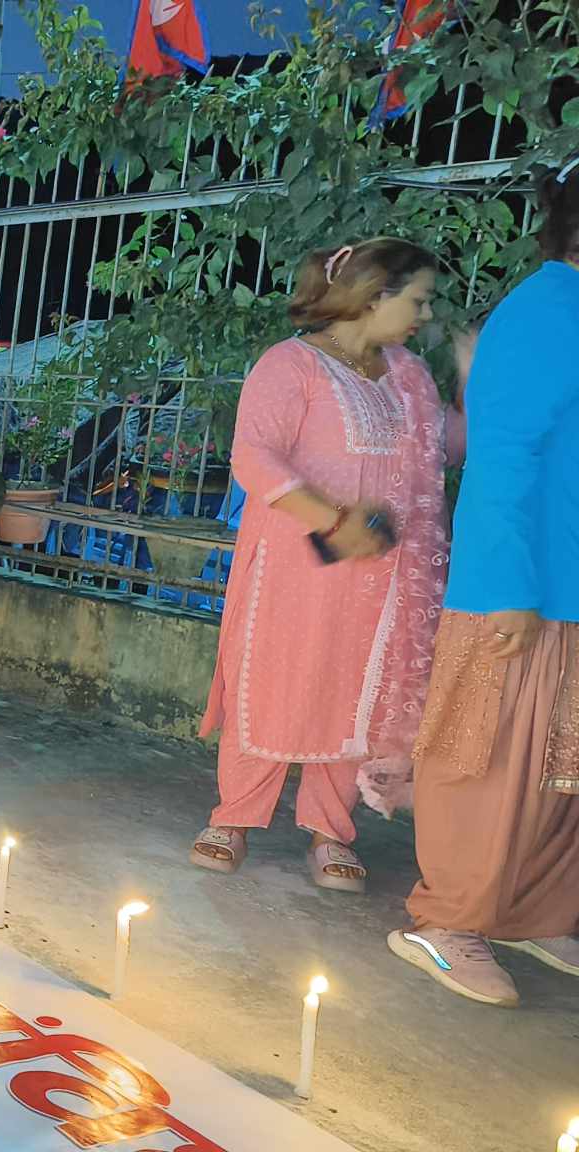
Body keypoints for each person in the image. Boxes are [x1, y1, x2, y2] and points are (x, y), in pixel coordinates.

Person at [193, 238, 455, 894]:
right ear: (375, 295)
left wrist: (483, 385)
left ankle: (331, 829)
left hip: (382, 581)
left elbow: (451, 444)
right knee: (271, 681)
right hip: (294, 568)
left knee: (355, 695)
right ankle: (234, 817)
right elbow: (254, 457)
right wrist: (335, 520)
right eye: (417, 298)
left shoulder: (407, 378)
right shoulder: (292, 365)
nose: (424, 312)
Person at [390, 162, 579, 1007]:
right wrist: (508, 582)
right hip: (522, 587)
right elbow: (505, 454)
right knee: (489, 762)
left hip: (568, 586)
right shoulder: (544, 314)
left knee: (557, 770)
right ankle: (445, 923)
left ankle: (532, 910)